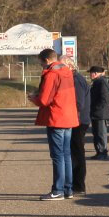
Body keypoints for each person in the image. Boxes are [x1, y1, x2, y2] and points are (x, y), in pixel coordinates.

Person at [30, 47, 78, 200]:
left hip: (56, 117)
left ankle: (58, 190)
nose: (42, 66)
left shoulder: (51, 74)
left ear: (46, 60)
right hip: (68, 116)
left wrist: (34, 99)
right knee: (66, 155)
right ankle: (68, 189)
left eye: (41, 64)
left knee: (57, 156)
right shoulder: (67, 71)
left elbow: (45, 100)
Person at [69, 59, 90, 194]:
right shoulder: (76, 79)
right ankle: (75, 184)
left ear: (70, 67)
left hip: (78, 121)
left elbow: (79, 103)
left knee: (77, 154)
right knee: (76, 153)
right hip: (78, 120)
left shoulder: (76, 80)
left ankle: (78, 185)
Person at [88, 66, 109, 159]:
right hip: (96, 113)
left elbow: (104, 98)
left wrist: (96, 108)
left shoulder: (102, 82)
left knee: (101, 134)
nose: (90, 75)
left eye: (91, 73)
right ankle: (99, 151)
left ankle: (103, 152)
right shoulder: (97, 82)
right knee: (96, 133)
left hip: (100, 113)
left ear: (95, 73)